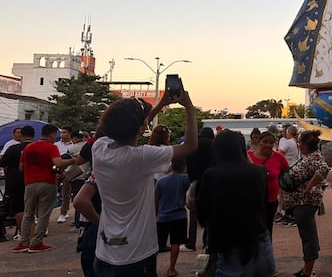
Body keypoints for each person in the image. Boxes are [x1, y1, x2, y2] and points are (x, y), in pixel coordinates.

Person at [91, 92, 198, 277]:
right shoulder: (141, 157)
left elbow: (131, 129)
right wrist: (189, 107)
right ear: (140, 128)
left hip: (104, 253)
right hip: (136, 255)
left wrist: (161, 104)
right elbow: (189, 146)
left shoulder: (99, 148)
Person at [196, 129, 274, 277]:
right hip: (261, 243)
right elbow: (264, 204)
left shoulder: (211, 175)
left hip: (229, 246)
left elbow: (203, 215)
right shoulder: (259, 172)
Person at [12, 123, 77, 253]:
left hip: (30, 183)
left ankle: (23, 242)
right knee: (43, 214)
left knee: (28, 213)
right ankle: (36, 243)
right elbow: (58, 163)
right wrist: (72, 161)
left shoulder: (28, 147)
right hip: (47, 182)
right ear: (51, 134)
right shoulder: (51, 147)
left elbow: (21, 167)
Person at [282, 130, 330, 277]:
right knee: (309, 235)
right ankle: (307, 268)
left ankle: (308, 271)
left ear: (303, 145)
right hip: (301, 202)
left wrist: (309, 186)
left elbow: (324, 169)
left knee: (308, 236)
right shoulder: (310, 157)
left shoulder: (313, 158)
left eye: (300, 143)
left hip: (305, 202)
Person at [247, 130, 289, 238]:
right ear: (258, 142)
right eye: (265, 141)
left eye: (271, 143)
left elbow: (285, 171)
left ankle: (266, 252)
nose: (268, 145)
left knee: (267, 229)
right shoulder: (249, 157)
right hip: (252, 201)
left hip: (271, 201)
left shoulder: (279, 157)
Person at [155, 158, 190, 277]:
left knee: (157, 245)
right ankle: (171, 269)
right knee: (175, 243)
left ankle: (152, 268)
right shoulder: (186, 179)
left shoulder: (161, 181)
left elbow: (156, 201)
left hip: (162, 217)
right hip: (179, 216)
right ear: (184, 167)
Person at [0, 126, 34, 241]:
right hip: (33, 180)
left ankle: (22, 233)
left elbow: (3, 163)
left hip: (15, 182)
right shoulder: (37, 148)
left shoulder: (12, 149)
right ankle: (34, 232)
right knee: (32, 207)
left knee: (19, 209)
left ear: (22, 135)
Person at [183, 126, 214, 252]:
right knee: (211, 212)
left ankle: (191, 242)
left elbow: (188, 163)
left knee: (194, 212)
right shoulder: (213, 144)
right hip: (211, 181)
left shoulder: (194, 145)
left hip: (196, 181)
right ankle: (207, 241)